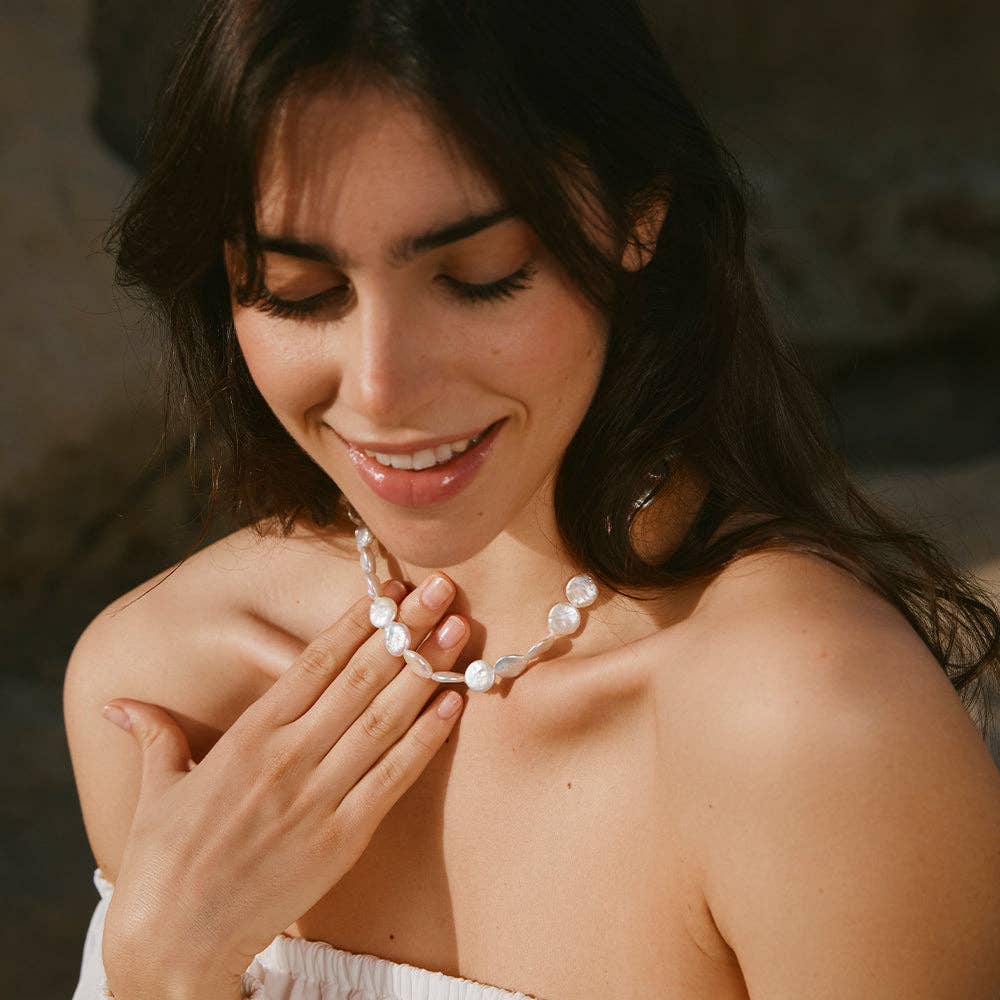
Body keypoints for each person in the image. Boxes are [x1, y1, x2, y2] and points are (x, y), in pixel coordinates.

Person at [64, 1, 1000, 998]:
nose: (381, 389)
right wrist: (161, 971)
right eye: (297, 289)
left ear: (637, 218)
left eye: (479, 276)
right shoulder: (168, 689)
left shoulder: (805, 724)